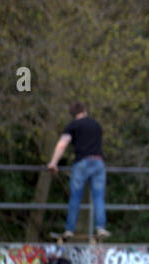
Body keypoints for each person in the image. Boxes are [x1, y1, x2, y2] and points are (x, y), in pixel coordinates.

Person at [46, 102, 109, 240]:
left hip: (82, 163)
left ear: (73, 114)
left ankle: (69, 230)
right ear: (85, 110)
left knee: (75, 197)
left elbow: (62, 145)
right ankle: (100, 228)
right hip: (98, 162)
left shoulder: (73, 125)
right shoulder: (96, 124)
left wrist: (53, 163)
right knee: (98, 197)